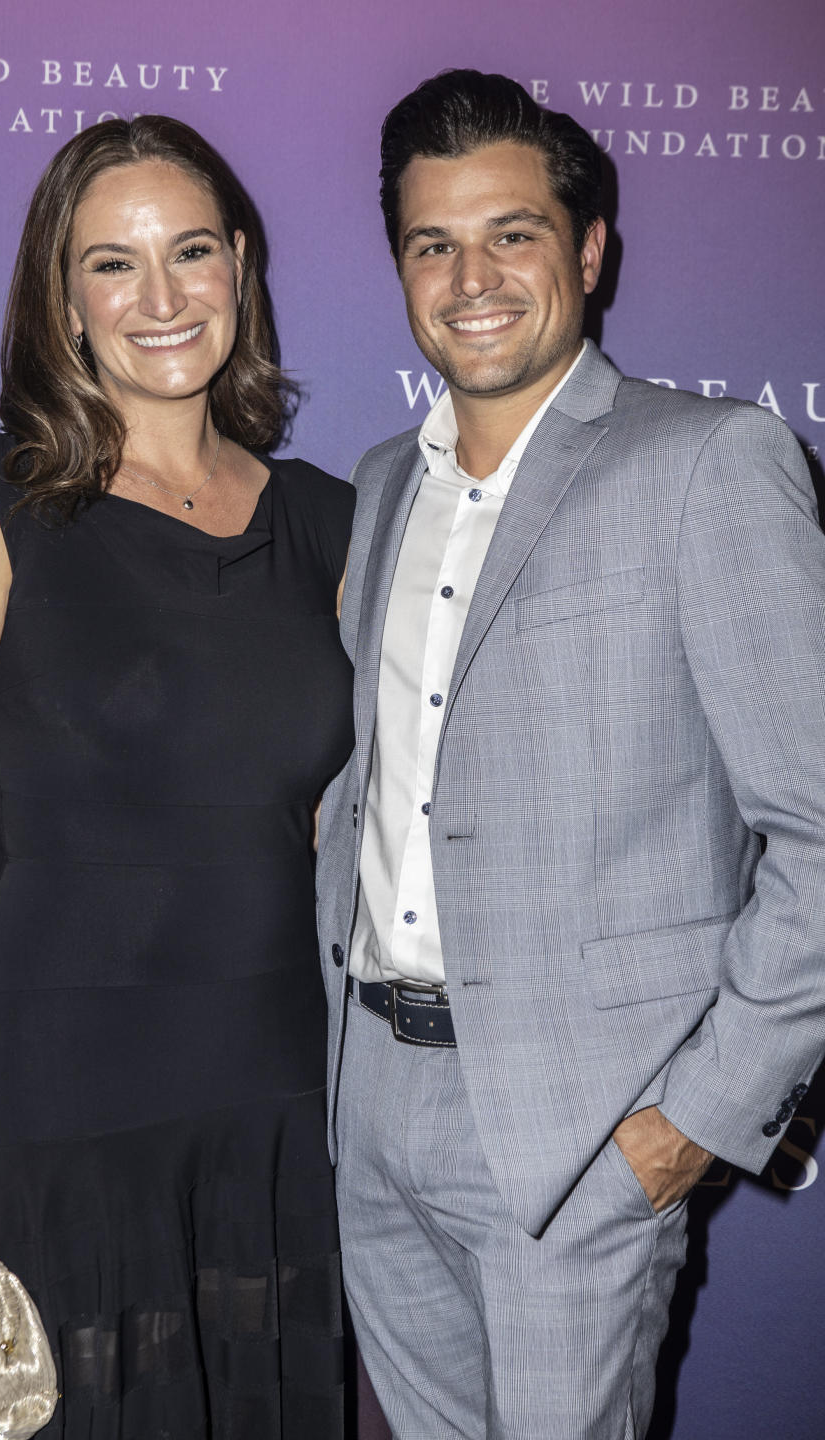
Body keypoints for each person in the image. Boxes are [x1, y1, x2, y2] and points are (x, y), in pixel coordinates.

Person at [315, 70, 825, 1439]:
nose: (471, 275)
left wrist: (692, 1124)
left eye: (513, 233)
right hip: (370, 1102)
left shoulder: (711, 462)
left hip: (579, 1133)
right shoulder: (378, 486)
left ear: (589, 251)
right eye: (433, 242)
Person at [0, 115, 353, 1439]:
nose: (161, 297)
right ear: (62, 298)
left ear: (241, 266)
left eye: (191, 252)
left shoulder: (333, 521)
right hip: (48, 1088)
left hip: (277, 1088)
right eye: (113, 265)